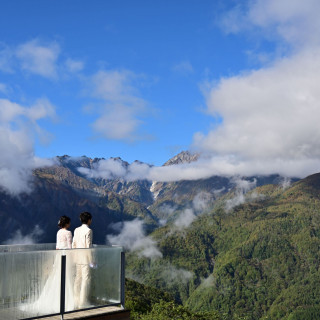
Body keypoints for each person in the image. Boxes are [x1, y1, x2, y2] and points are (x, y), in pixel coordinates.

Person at [72, 211, 93, 309]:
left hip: (77, 258)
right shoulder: (88, 231)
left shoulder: (76, 230)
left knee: (77, 279)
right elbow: (88, 246)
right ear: (89, 220)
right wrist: (91, 260)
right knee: (86, 279)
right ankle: (83, 302)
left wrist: (74, 256)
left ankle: (76, 300)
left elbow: (74, 244)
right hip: (85, 259)